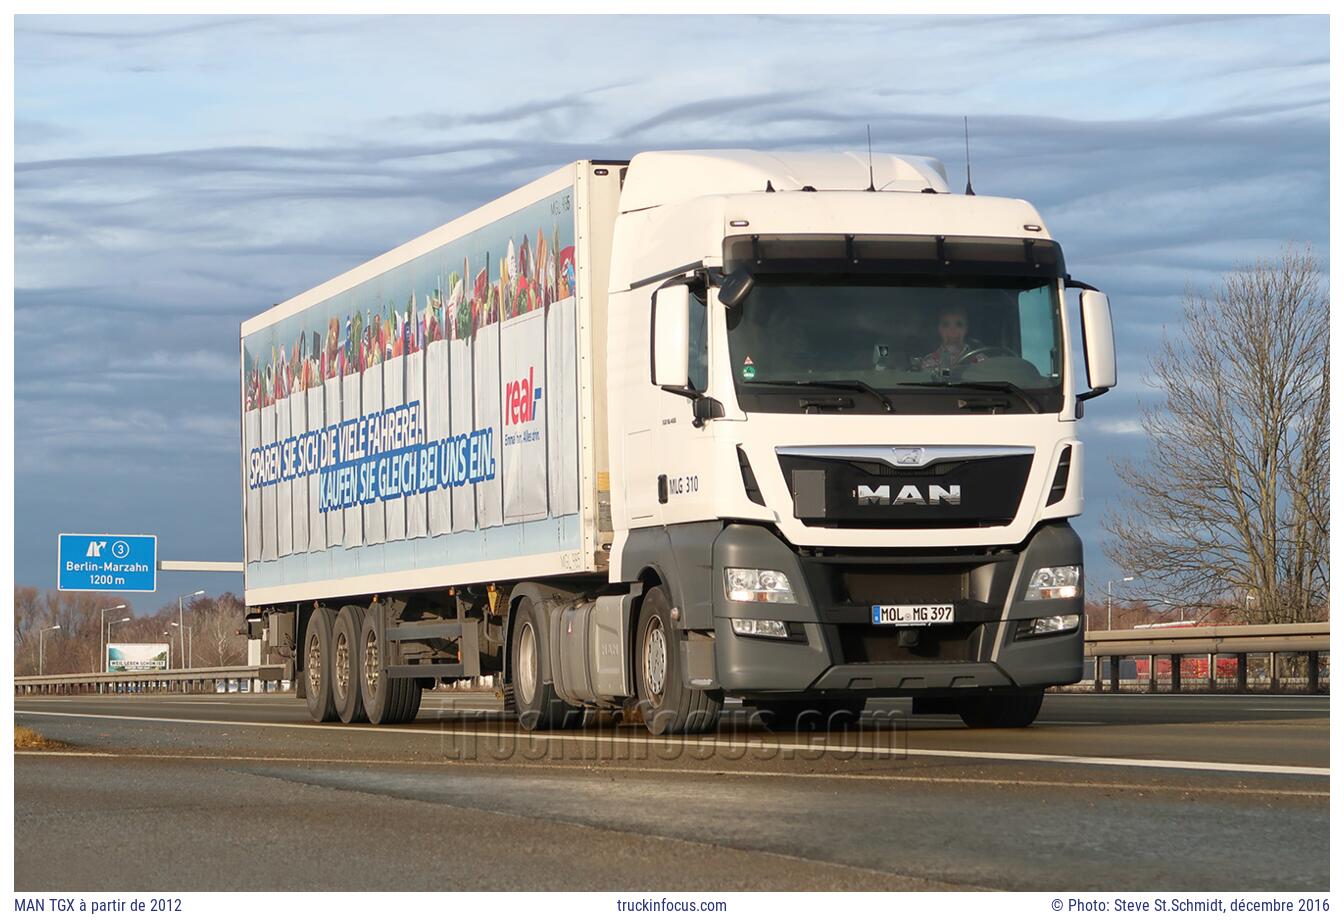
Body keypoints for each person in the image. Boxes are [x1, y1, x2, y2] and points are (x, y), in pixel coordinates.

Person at [920, 305, 986, 371]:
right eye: (946, 324)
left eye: (959, 324)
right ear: (939, 329)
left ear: (966, 329)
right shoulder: (930, 361)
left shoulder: (978, 357)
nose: (952, 330)